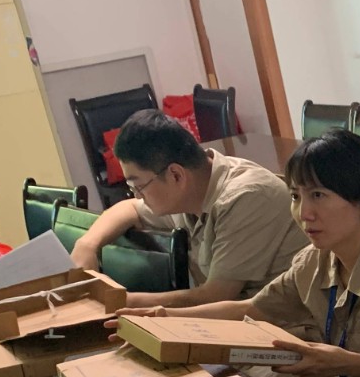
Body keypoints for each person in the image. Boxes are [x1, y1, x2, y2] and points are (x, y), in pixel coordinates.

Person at [113, 131, 360, 377]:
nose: (304, 213)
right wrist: (167, 318)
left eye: (318, 195)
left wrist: (344, 363)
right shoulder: (314, 261)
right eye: (296, 196)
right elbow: (252, 309)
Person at [68, 110, 306, 308]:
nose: (137, 195)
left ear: (175, 175)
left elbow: (215, 296)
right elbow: (130, 208)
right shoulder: (189, 191)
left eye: (138, 186)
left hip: (288, 330)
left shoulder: (245, 197)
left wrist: (119, 301)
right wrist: (87, 245)